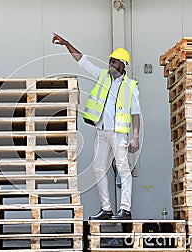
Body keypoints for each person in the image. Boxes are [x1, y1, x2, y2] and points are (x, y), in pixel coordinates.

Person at [52, 33, 141, 220]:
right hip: (101, 132)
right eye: (110, 61)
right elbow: (83, 61)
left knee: (124, 170)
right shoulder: (102, 76)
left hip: (118, 134)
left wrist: (135, 137)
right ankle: (106, 209)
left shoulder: (131, 86)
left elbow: (136, 113)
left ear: (123, 65)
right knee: (98, 169)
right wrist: (67, 43)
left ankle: (125, 209)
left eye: (115, 62)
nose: (111, 64)